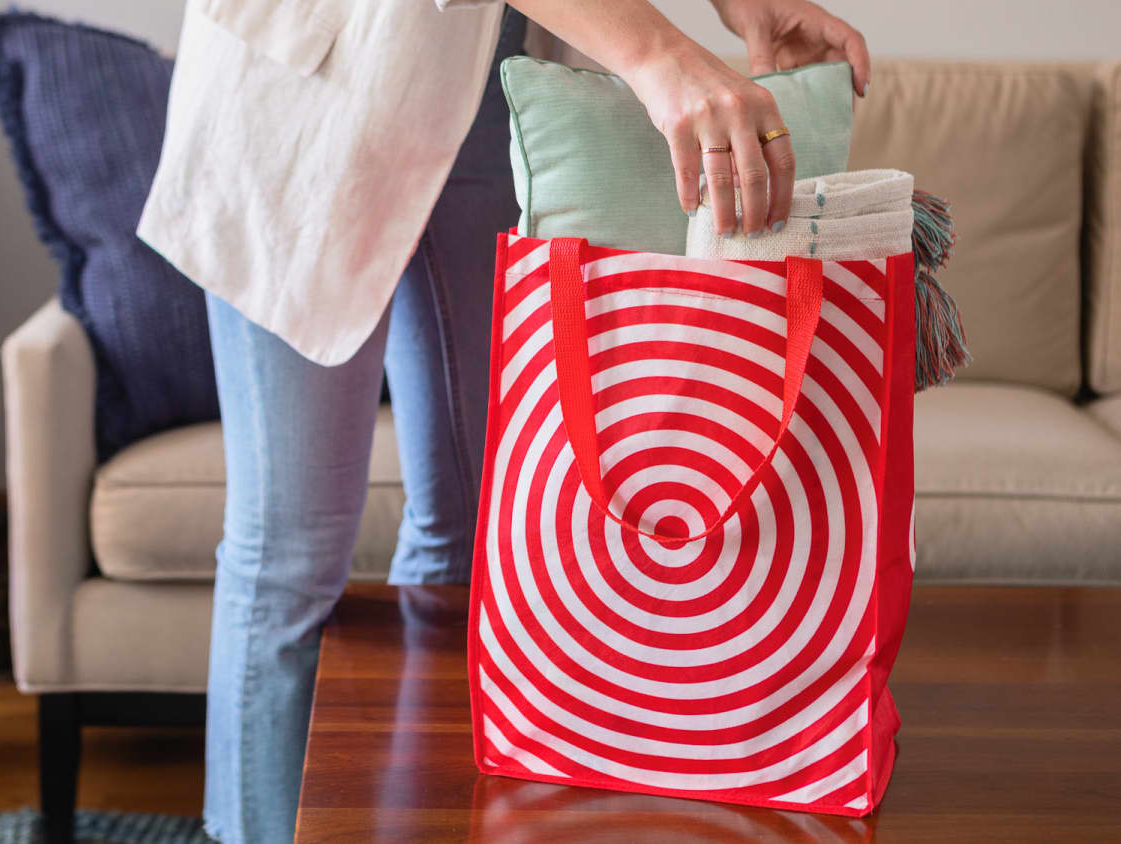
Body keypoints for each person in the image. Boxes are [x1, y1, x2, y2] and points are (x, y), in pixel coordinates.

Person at [137, 1, 870, 840]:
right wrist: (657, 54)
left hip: (489, 70)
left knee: (476, 529)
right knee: (289, 558)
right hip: (310, 84)